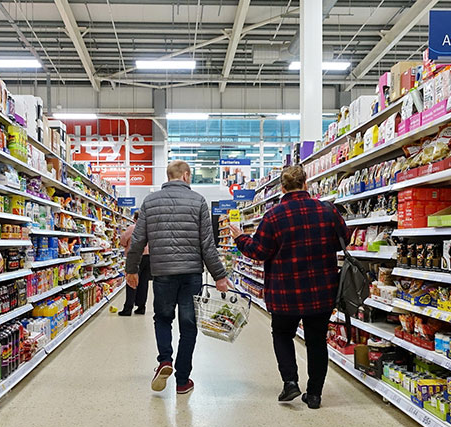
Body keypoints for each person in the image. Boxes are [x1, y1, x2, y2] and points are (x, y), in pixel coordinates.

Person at [230, 165, 347, 409]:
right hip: (321, 290)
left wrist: (240, 238)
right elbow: (344, 239)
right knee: (317, 341)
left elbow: (259, 251)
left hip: (285, 292)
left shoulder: (273, 215)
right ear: (306, 184)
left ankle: (290, 382)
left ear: (282, 188)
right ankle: (314, 394)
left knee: (282, 334)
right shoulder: (327, 210)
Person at [126, 160, 230, 395]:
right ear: (185, 176)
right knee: (188, 325)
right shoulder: (198, 201)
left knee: (162, 318)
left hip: (162, 272)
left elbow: (137, 240)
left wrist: (131, 269)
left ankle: (165, 360)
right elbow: (207, 244)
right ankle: (183, 380)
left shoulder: (150, 202)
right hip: (191, 273)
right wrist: (219, 276)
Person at [118, 211, 151, 316]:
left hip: (134, 257)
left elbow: (123, 241)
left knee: (131, 281)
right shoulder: (149, 228)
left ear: (135, 219)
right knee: (143, 282)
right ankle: (141, 307)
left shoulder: (132, 228)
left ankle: (128, 309)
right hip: (148, 257)